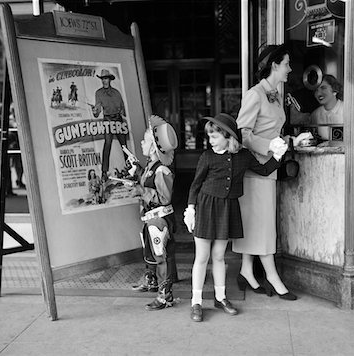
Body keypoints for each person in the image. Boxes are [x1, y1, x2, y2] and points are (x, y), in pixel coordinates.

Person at [183, 113, 287, 322]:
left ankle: (221, 298)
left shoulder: (244, 156)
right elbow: (195, 185)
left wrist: (278, 155)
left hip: (228, 208)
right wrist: (191, 209)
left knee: (219, 255)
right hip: (206, 206)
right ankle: (196, 302)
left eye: (214, 136)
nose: (210, 141)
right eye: (210, 136)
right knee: (202, 257)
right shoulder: (207, 157)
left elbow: (265, 170)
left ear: (228, 136)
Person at [232, 44, 311, 300]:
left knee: (258, 223)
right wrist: (271, 146)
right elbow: (242, 134)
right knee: (264, 225)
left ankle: (246, 270)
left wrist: (289, 141)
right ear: (274, 65)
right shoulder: (255, 94)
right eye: (287, 64)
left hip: (269, 168)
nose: (290, 69)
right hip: (255, 169)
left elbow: (272, 131)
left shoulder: (275, 95)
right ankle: (273, 277)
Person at [125, 115, 179, 311]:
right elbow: (145, 179)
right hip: (150, 219)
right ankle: (151, 281)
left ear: (155, 147)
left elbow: (164, 198)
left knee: (161, 255)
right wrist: (136, 171)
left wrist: (141, 191)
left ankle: (165, 296)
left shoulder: (162, 170)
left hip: (160, 219)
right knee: (150, 251)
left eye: (145, 140)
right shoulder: (150, 167)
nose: (141, 142)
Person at [91, 69, 129, 181]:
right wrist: (94, 111)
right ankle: (104, 172)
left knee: (124, 146)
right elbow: (97, 112)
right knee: (107, 144)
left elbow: (123, 110)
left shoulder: (117, 93)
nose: (104, 81)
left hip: (118, 120)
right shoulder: (98, 93)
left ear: (110, 80)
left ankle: (131, 168)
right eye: (103, 79)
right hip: (107, 120)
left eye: (106, 78)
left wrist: (122, 112)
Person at [310, 74, 344, 139]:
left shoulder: (348, 110)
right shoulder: (315, 114)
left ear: (335, 90)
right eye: (316, 90)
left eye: (323, 88)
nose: (318, 93)